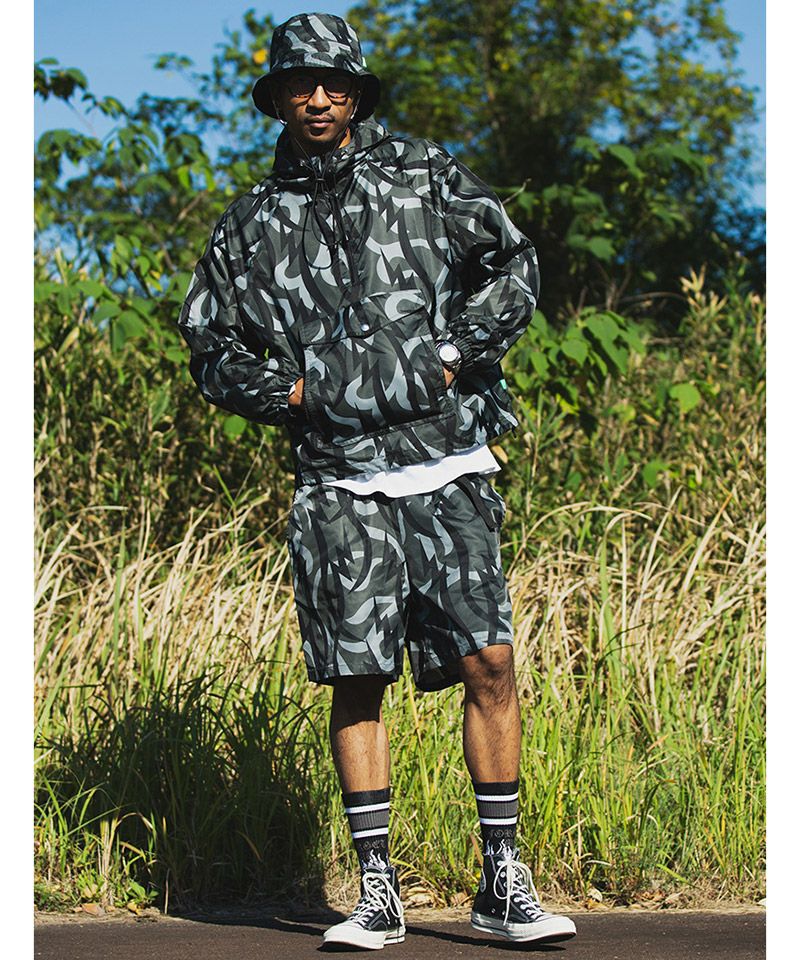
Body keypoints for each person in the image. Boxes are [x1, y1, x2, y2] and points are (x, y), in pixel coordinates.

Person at [178, 12, 577, 950]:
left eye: (335, 84)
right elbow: (209, 344)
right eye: (300, 84)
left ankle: (503, 881)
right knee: (357, 675)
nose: (318, 99)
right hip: (337, 478)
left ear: (355, 94)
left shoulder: (425, 174)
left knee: (490, 661)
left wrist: (454, 356)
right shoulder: (250, 223)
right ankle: (376, 892)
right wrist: (294, 392)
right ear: (278, 98)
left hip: (449, 457)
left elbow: (513, 264)